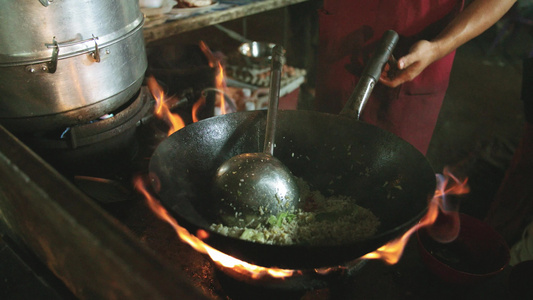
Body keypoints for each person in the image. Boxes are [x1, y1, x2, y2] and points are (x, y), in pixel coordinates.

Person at [314, 0, 517, 155]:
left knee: (392, 179)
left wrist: (438, 47)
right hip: (344, 38)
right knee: (321, 157)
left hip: (420, 51)